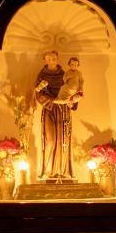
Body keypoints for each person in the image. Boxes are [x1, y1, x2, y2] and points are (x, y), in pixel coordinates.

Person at [33, 50, 79, 181]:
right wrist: (52, 101)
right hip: (50, 109)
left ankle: (62, 170)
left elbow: (73, 90)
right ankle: (48, 171)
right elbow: (38, 94)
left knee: (63, 140)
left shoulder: (65, 74)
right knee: (51, 140)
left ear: (58, 58)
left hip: (63, 109)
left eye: (54, 58)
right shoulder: (41, 75)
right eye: (50, 59)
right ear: (45, 60)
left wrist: (71, 101)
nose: (53, 60)